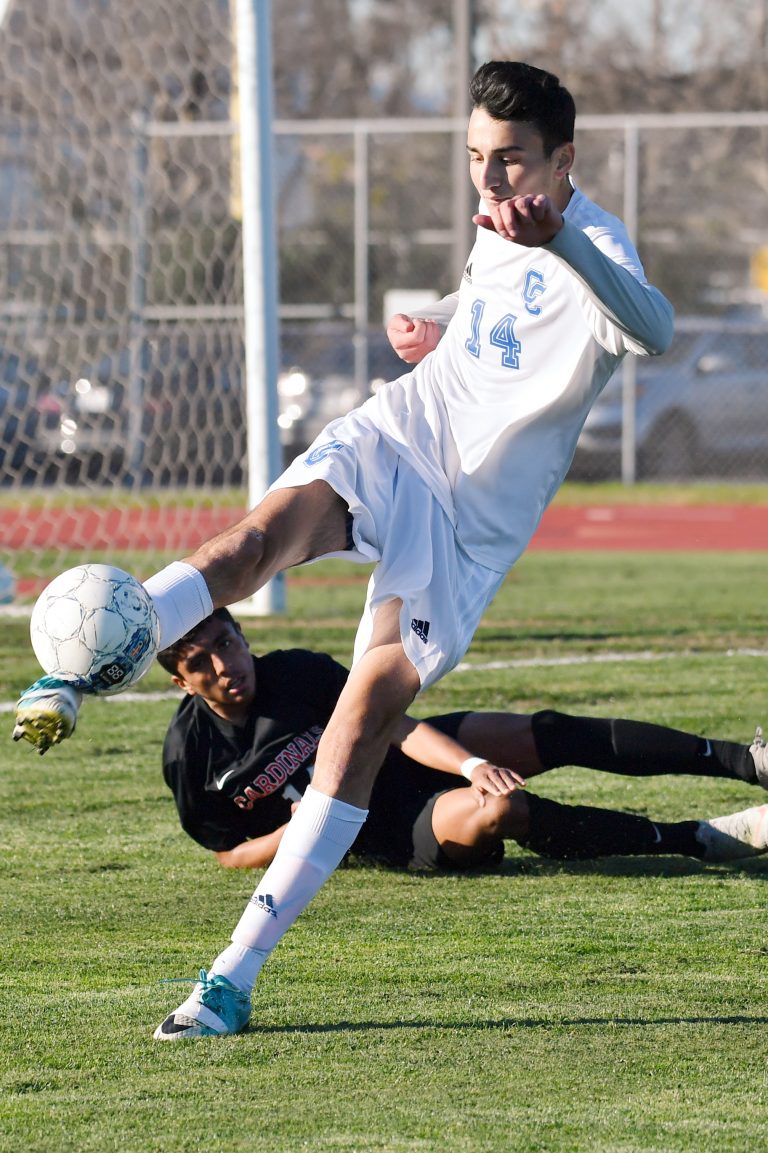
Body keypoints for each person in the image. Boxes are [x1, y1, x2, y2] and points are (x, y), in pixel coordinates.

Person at [13, 62, 677, 1039]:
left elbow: (652, 327)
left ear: (563, 158)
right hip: (401, 433)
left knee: (356, 729)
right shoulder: (501, 221)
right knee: (252, 541)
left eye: (511, 163)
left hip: (466, 529)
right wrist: (436, 326)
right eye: (476, 161)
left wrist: (565, 238)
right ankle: (72, 675)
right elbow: (484, 299)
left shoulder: (591, 240)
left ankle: (230, 980)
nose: (490, 184)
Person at [159, 609, 768, 879]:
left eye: (228, 642)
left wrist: (472, 763)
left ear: (243, 633)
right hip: (389, 825)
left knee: (543, 731)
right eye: (201, 661)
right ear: (179, 681)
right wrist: (296, 833)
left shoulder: (298, 672)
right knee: (499, 809)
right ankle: (700, 840)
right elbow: (228, 853)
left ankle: (747, 761)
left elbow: (395, 726)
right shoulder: (192, 756)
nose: (224, 665)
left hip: (411, 759)